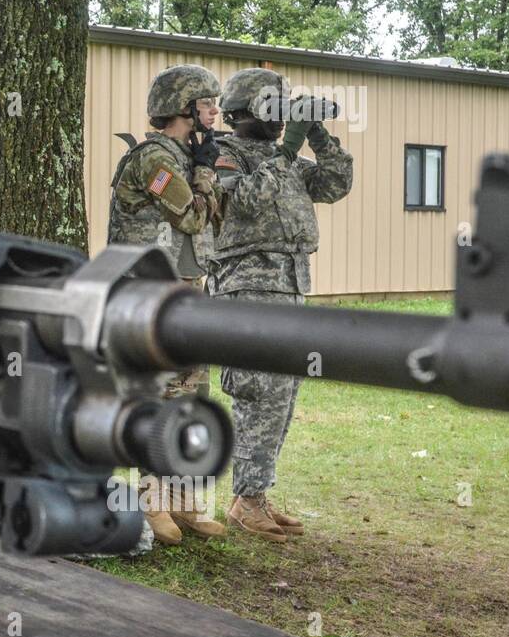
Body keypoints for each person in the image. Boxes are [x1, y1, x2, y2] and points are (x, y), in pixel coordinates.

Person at [210, 68, 353, 542]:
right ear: (241, 113)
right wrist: (289, 147)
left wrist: (316, 133)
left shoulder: (283, 156)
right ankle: (247, 499)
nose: (278, 121)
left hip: (290, 284)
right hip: (246, 287)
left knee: (282, 396)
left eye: (282, 111)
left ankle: (251, 495)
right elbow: (246, 203)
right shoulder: (222, 155)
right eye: (271, 111)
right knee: (258, 391)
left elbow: (335, 185)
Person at [107, 63, 226, 545]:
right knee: (157, 391)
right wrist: (202, 172)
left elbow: (209, 215)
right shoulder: (154, 160)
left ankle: (184, 499)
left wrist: (202, 171)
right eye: (207, 104)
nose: (216, 111)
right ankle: (152, 499)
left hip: (186, 288)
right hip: (152, 294)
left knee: (193, 391)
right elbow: (192, 217)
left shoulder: (181, 154)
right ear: (183, 109)